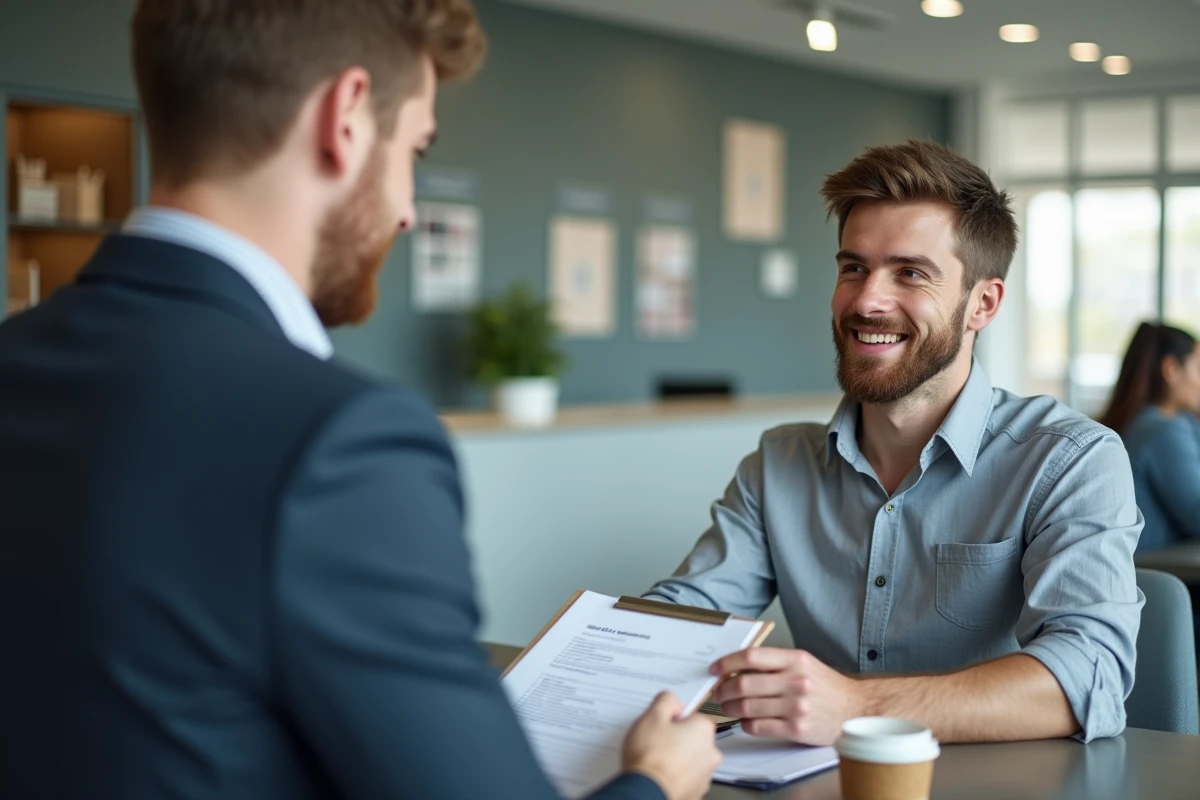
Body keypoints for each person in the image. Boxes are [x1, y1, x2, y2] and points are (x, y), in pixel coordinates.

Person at [0, 2, 718, 799]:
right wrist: (655, 782)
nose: (410, 209)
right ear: (345, 118)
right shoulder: (339, 441)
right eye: (415, 149)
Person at [645, 139, 1143, 746]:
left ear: (981, 304)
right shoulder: (779, 464)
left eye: (910, 273)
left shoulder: (1070, 459)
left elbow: (1089, 675)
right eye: (853, 267)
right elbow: (684, 617)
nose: (866, 300)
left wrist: (856, 705)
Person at [1098, 322, 1200, 552]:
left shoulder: (1148, 422)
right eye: (1199, 369)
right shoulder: (1162, 430)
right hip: (1166, 572)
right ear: (1171, 369)